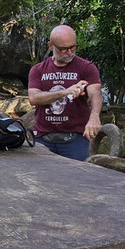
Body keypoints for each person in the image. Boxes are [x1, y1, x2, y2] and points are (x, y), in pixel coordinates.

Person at [27, 24, 103, 161]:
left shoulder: (86, 67)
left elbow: (95, 93)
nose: (69, 52)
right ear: (51, 46)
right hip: (43, 137)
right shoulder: (38, 69)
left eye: (73, 47)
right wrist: (64, 92)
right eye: (63, 49)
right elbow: (33, 98)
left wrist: (95, 116)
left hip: (75, 138)